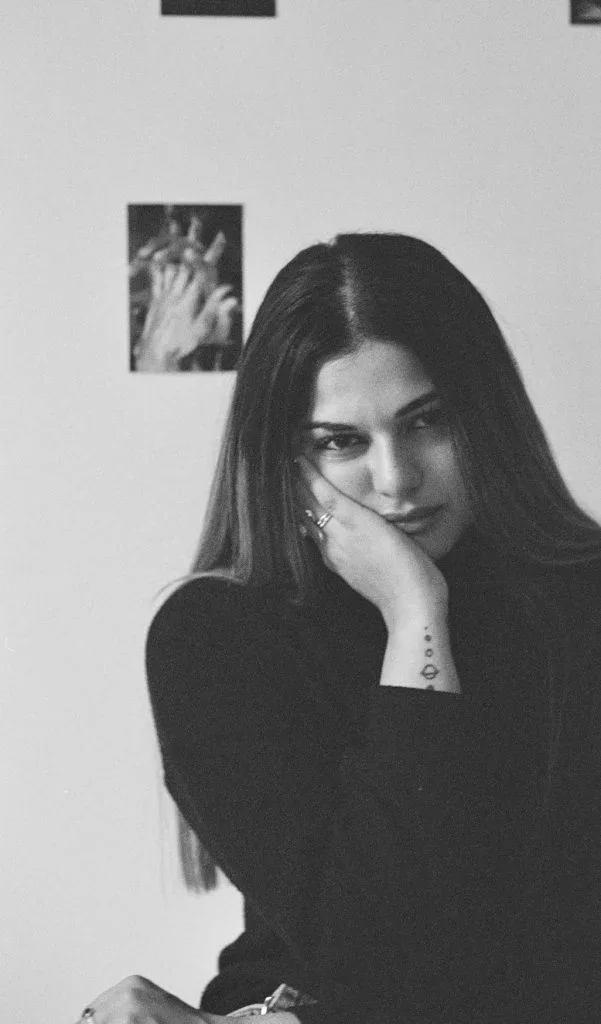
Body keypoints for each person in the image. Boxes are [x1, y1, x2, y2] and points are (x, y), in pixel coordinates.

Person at [76, 233, 601, 1024]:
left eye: (426, 421)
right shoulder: (218, 636)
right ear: (284, 458)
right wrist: (416, 613)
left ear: (485, 414)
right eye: (340, 441)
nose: (395, 481)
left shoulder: (580, 593)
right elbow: (375, 954)